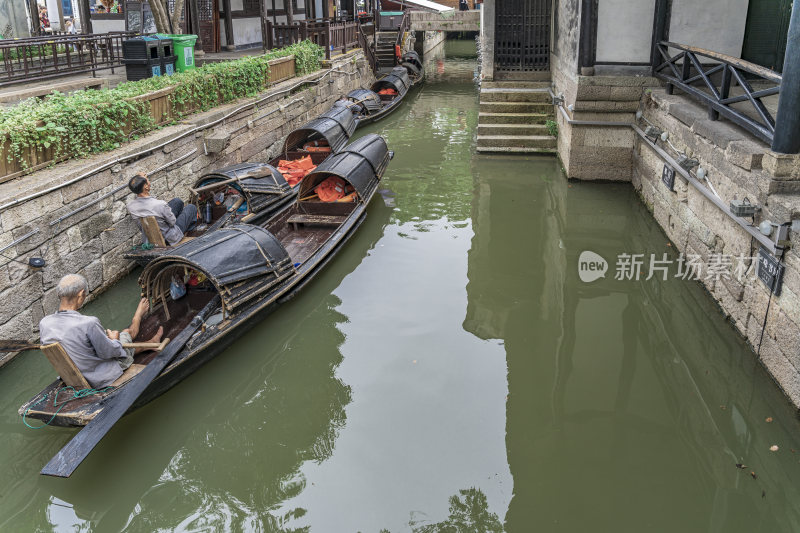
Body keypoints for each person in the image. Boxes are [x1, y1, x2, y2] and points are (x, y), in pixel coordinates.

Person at [39, 274, 163, 389]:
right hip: (101, 378)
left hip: (73, 378)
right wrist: (114, 340)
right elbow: (110, 352)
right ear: (81, 294)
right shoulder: (89, 323)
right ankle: (140, 319)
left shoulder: (44, 323)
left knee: (117, 343)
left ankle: (147, 342)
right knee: (125, 334)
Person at [126, 172, 198, 246]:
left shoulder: (130, 206)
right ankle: (186, 233)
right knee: (191, 208)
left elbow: (148, 201)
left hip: (150, 238)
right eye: (147, 180)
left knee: (177, 201)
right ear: (146, 187)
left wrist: (140, 180)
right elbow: (172, 222)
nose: (148, 180)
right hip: (169, 239)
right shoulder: (160, 204)